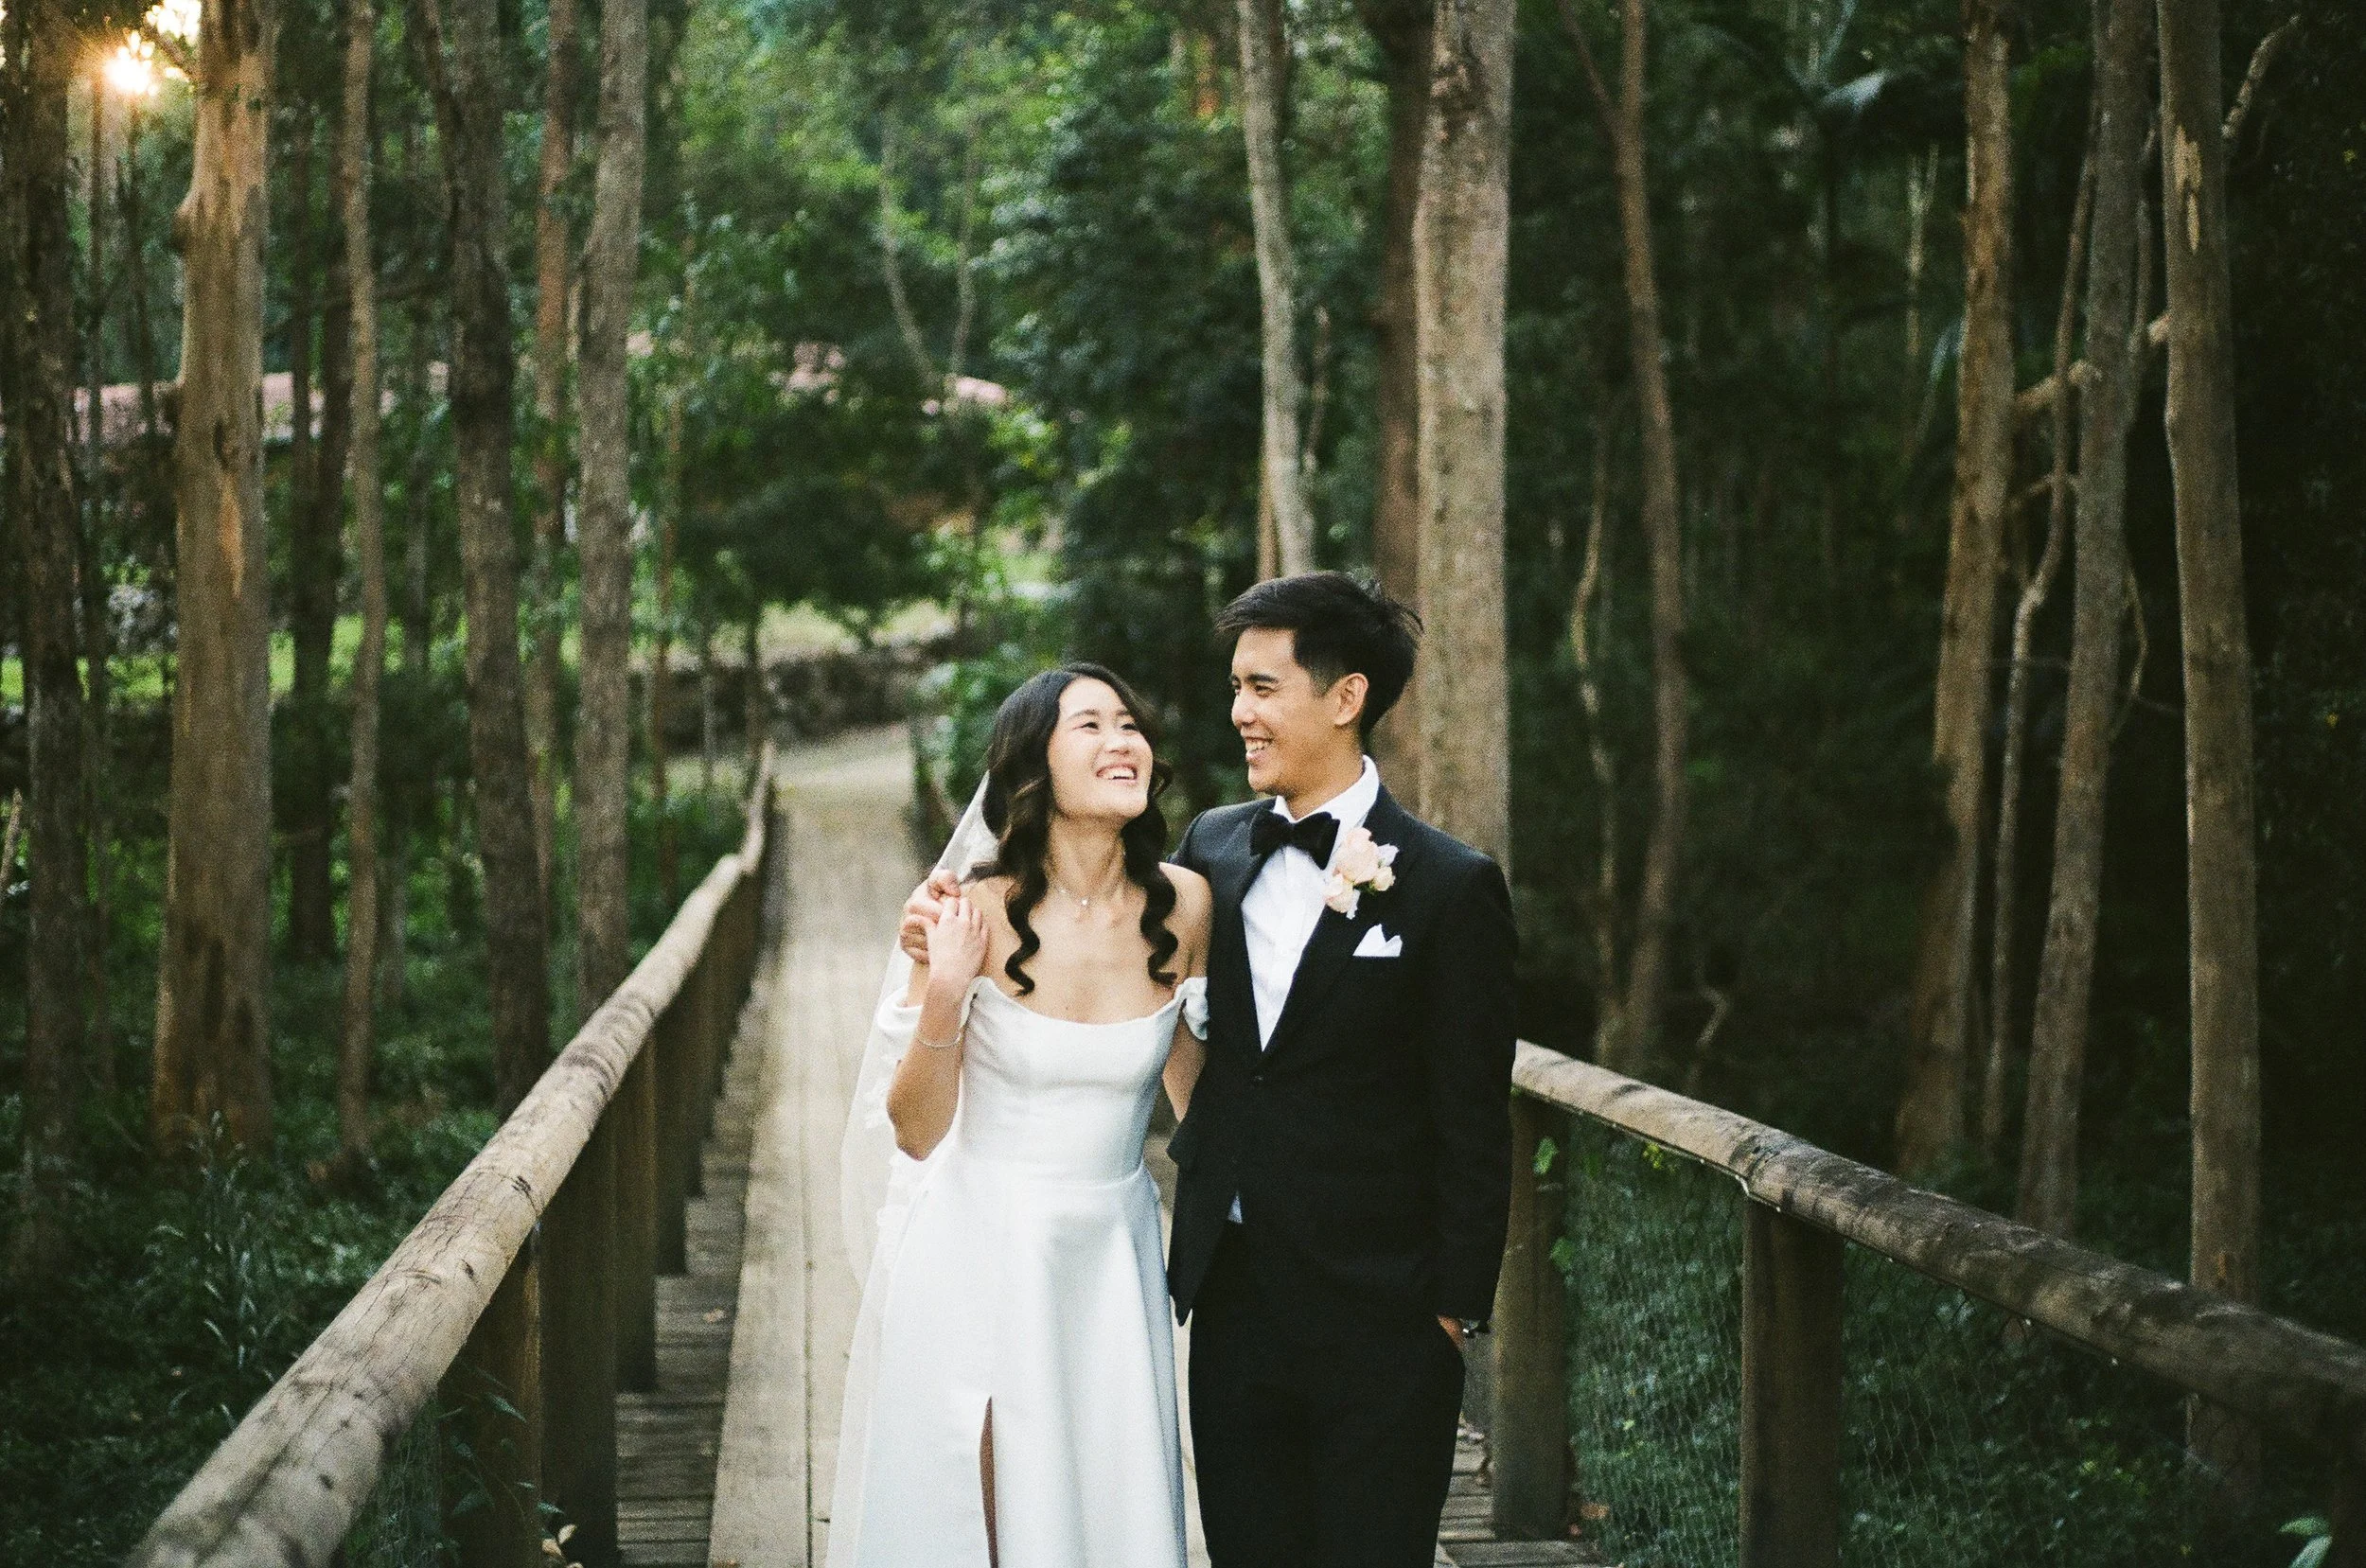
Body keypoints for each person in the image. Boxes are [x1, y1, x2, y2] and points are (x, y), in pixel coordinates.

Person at [903, 573, 1518, 1568]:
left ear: (1345, 697)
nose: (1238, 713)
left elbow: (1472, 1118)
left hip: (1383, 1321)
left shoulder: (1450, 887)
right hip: (1229, 1309)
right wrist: (944, 953)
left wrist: (1447, 1316)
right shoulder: (1210, 855)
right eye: (1235, 687)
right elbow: (1140, 993)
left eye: (1262, 688)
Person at [831, 662, 1210, 1568]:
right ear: (1033, 765)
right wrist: (947, 992)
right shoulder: (966, 914)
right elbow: (917, 1129)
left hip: (1113, 1255)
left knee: (1107, 1505)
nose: (1122, 740)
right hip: (980, 1247)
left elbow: (1203, 1103)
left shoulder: (1187, 905)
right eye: (1090, 725)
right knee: (989, 1516)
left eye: (1130, 722)